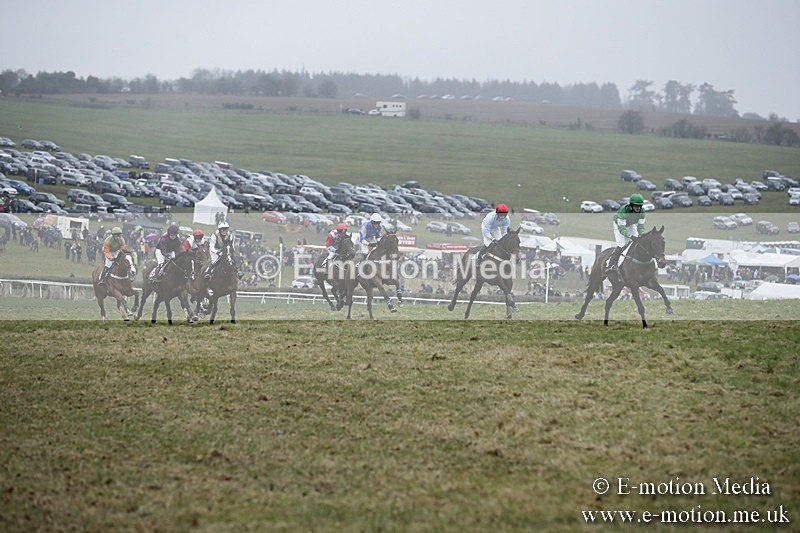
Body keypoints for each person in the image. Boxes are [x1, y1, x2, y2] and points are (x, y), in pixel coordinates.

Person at [605, 193, 647, 275]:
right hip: (619, 225)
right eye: (635, 206)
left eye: (640, 206)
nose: (638, 208)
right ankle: (610, 264)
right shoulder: (624, 211)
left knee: (637, 241)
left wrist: (642, 234)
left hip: (631, 224)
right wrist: (630, 236)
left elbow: (641, 226)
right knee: (621, 245)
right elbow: (622, 229)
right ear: (631, 205)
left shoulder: (642, 212)